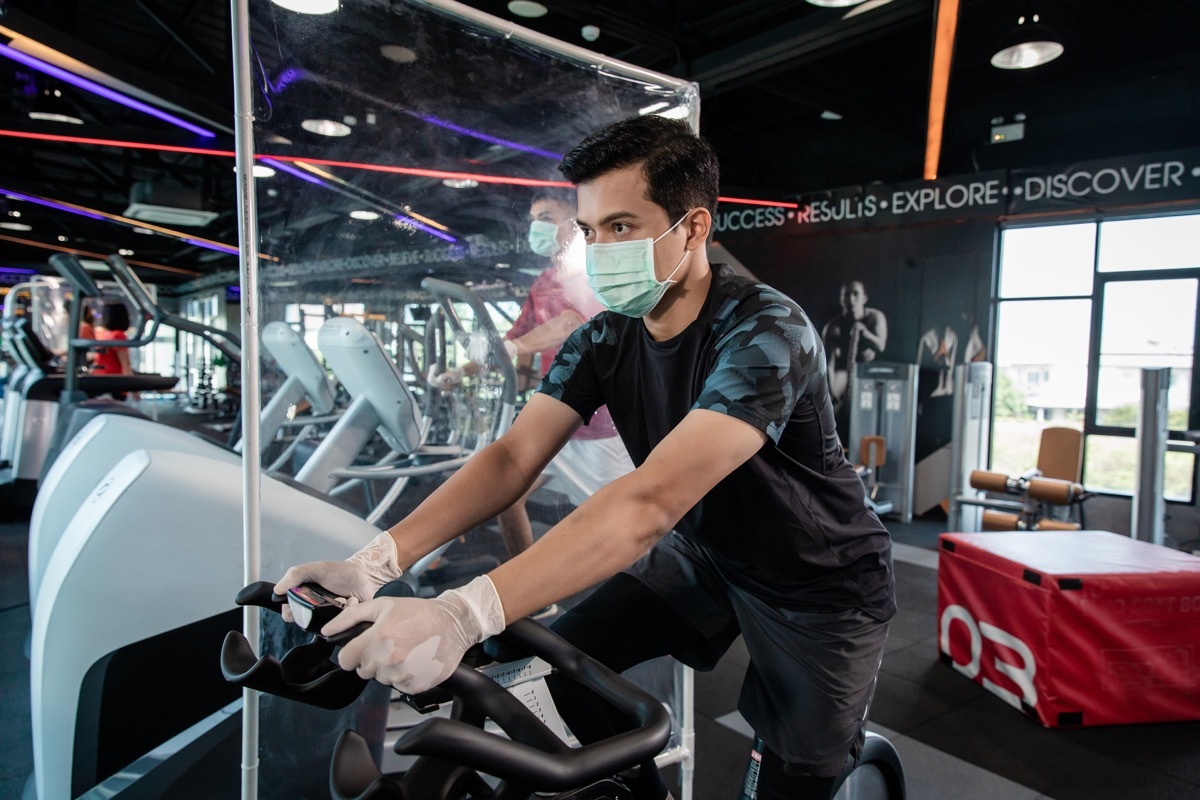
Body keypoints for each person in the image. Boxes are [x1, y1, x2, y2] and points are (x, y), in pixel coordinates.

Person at [276, 116, 896, 800]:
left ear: (692, 229)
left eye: (623, 227)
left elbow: (650, 502)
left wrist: (461, 613)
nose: (601, 249)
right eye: (592, 231)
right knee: (546, 669)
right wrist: (373, 562)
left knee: (790, 781)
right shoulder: (605, 335)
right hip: (706, 554)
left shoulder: (764, 330)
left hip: (817, 579)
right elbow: (513, 457)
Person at [434, 189, 634, 563]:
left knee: (627, 525)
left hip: (598, 422)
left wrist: (516, 348)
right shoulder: (543, 283)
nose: (535, 227)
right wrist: (458, 371)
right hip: (552, 417)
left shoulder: (592, 273)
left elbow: (569, 325)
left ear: (571, 223)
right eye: (532, 219)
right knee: (506, 497)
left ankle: (659, 593)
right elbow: (511, 341)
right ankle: (527, 596)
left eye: (545, 217)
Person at [821, 279, 888, 411]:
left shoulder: (875, 318)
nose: (851, 299)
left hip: (871, 372)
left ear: (864, 298)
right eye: (846, 295)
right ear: (841, 300)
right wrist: (831, 394)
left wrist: (864, 333)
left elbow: (880, 346)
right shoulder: (833, 327)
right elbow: (828, 364)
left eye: (855, 294)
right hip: (844, 375)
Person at [90, 301, 133, 377]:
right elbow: (125, 363)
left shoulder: (106, 335)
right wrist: (130, 385)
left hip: (101, 376)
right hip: (113, 379)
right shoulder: (118, 335)